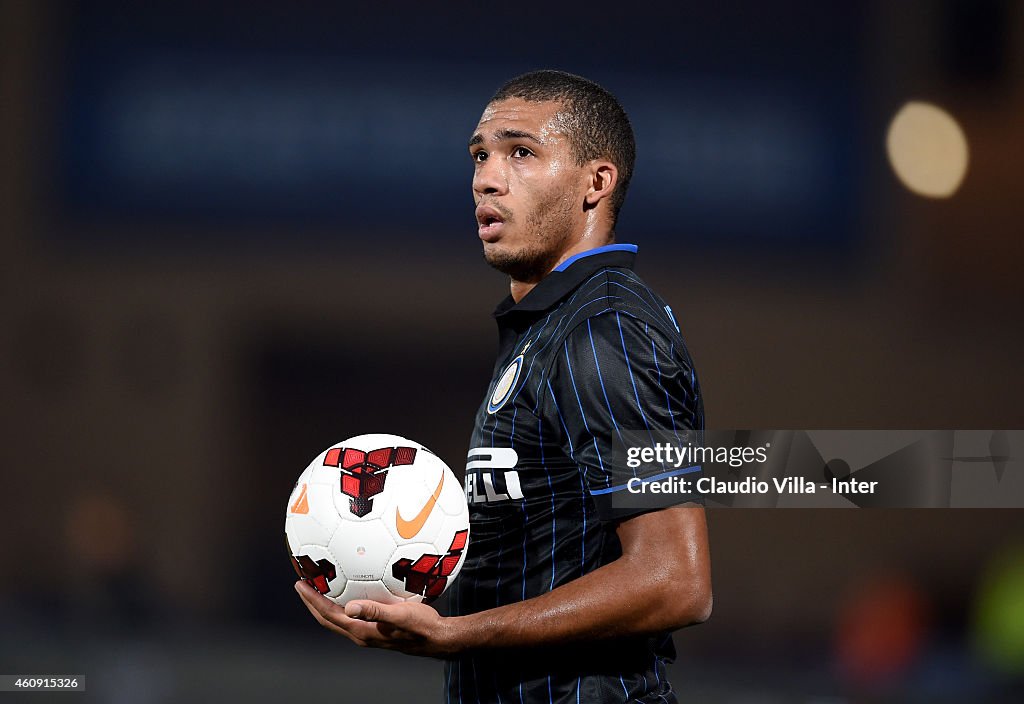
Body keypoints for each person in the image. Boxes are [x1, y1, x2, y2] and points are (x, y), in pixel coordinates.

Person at [296, 69, 711, 704]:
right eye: (481, 154)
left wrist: (460, 634)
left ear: (596, 183)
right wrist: (394, 584)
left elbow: (675, 579)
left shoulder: (607, 330)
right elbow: (542, 552)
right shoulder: (548, 328)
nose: (487, 178)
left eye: (521, 152)